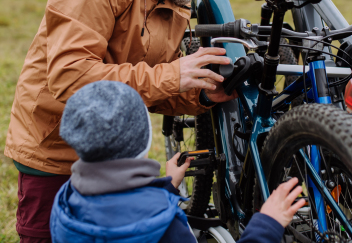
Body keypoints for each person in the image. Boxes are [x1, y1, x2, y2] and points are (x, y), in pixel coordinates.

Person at [4, 0, 249, 242]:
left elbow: (153, 85)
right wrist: (173, 75)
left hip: (120, 157)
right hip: (57, 153)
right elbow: (70, 77)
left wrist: (202, 92)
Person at [50, 81, 306, 243]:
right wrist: (267, 224)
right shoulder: (165, 225)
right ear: (142, 140)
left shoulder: (66, 202)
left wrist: (166, 188)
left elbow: (119, 210)